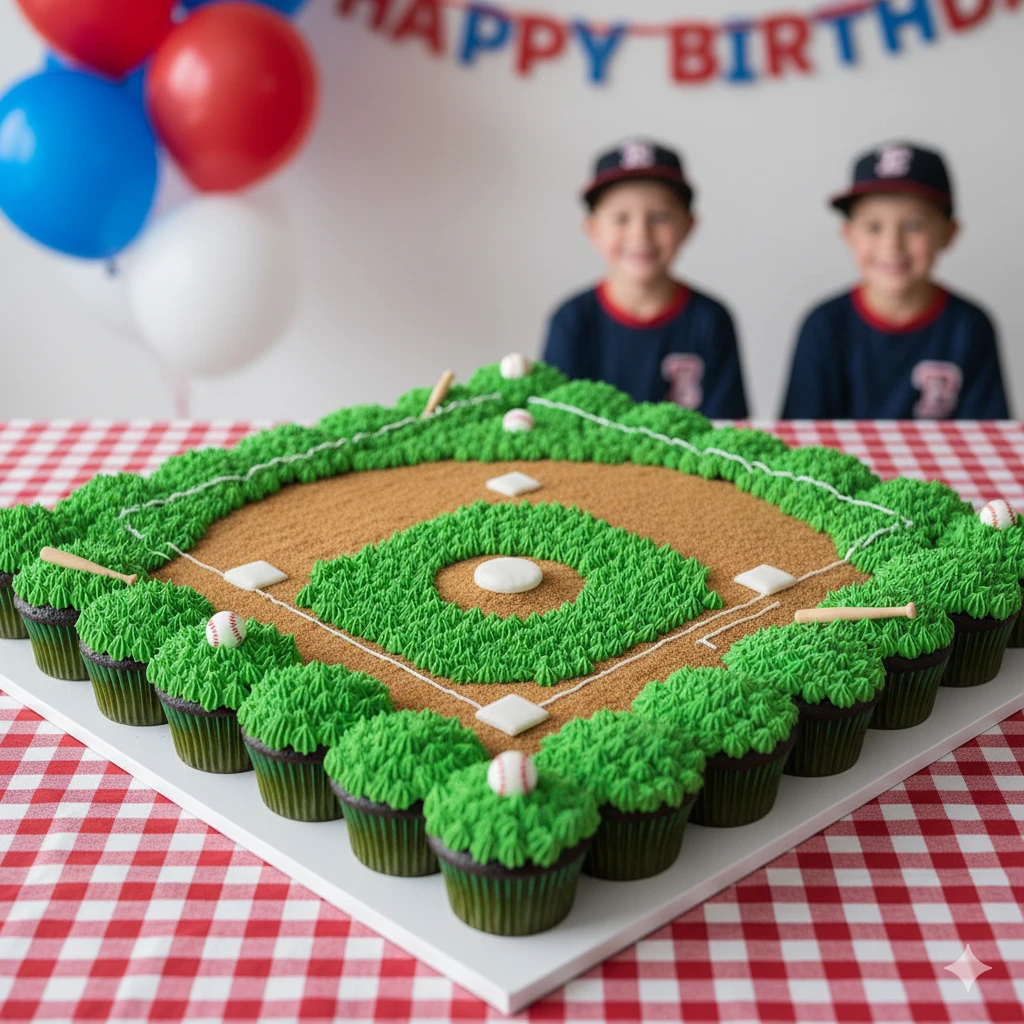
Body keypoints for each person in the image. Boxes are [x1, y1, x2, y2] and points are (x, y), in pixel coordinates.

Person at [781, 142, 1010, 419]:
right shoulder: (824, 325)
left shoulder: (970, 326)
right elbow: (801, 438)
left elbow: (987, 437)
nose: (892, 246)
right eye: (873, 227)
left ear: (949, 233)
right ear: (848, 234)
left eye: (914, 226)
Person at [542, 139, 749, 418]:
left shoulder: (711, 319)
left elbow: (728, 427)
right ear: (592, 229)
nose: (640, 234)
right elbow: (553, 424)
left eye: (660, 217)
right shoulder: (572, 320)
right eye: (621, 218)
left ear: (688, 226)